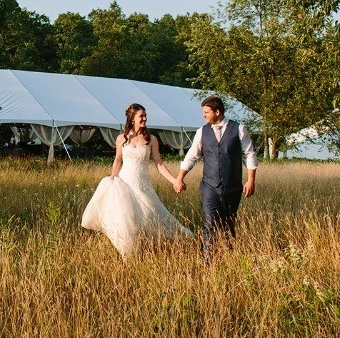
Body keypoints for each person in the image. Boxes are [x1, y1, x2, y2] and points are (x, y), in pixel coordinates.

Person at [82, 103, 194, 258]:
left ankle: (154, 248)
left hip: (143, 184)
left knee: (150, 215)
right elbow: (118, 160)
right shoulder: (121, 139)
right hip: (125, 183)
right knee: (126, 219)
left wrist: (174, 181)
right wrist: (112, 178)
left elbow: (159, 164)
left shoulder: (151, 139)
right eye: (141, 116)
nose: (145, 118)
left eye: (145, 115)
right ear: (132, 118)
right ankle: (128, 254)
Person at [174, 96, 258, 261]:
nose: (203, 115)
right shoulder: (201, 132)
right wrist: (179, 178)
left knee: (228, 224)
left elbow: (250, 154)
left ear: (217, 112)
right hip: (209, 186)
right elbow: (191, 156)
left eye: (206, 112)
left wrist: (251, 180)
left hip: (233, 187)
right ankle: (207, 260)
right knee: (210, 222)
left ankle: (228, 258)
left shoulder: (239, 129)